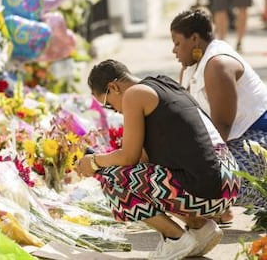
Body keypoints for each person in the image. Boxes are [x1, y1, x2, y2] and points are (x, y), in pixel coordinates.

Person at [76, 59, 240, 260]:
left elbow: (129, 158)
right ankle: (199, 227)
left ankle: (175, 239)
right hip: (229, 179)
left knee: (111, 178)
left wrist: (93, 162)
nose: (115, 111)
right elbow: (143, 159)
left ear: (114, 87)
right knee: (136, 175)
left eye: (108, 104)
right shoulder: (163, 83)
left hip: (209, 187)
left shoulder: (134, 95)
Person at [170, 9, 267, 223]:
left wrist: (190, 166)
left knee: (201, 183)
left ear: (194, 39)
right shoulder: (189, 67)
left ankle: (228, 203)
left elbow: (220, 128)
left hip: (258, 138)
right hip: (235, 140)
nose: (174, 50)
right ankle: (220, 208)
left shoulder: (218, 64)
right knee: (182, 175)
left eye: (177, 43)